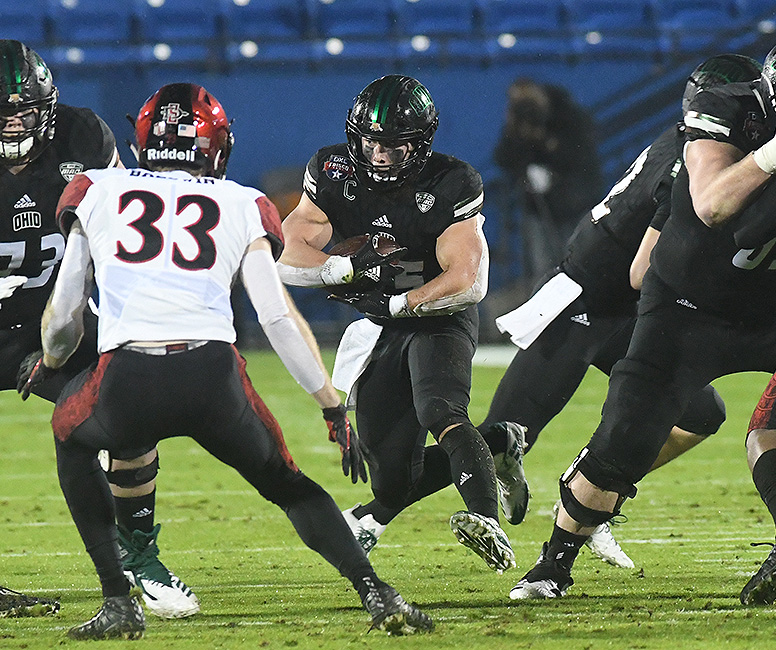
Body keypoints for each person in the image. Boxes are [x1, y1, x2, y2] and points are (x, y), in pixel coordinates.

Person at [17, 82, 433, 640]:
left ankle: (119, 600)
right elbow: (276, 317)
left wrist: (50, 360)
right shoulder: (241, 202)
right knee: (287, 483)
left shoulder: (95, 189)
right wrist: (330, 405)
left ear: (143, 142)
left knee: (72, 437)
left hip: (128, 380)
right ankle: (375, 592)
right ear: (216, 147)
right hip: (214, 378)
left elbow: (65, 312)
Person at [332, 55, 762, 570]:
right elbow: (642, 272)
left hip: (621, 308)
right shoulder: (690, 161)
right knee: (501, 436)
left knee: (701, 412)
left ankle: (593, 497)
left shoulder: (696, 147)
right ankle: (370, 516)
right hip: (586, 303)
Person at [508, 44, 776, 602]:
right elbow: (711, 205)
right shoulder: (728, 109)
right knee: (624, 439)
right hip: (689, 308)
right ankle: (553, 564)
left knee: (769, 430)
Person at [277, 74, 515, 574]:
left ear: (421, 143)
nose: (379, 154)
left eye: (393, 145)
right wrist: (342, 268)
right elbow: (289, 255)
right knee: (391, 479)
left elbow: (467, 280)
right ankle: (498, 444)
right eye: (370, 142)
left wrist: (403, 302)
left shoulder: (451, 181)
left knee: (440, 409)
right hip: (380, 325)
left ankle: (484, 519)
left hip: (438, 317)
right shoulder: (332, 168)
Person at [0, 39, 195, 619]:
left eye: (22, 112)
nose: (12, 126)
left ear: (47, 107)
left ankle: (138, 557)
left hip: (51, 315)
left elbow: (121, 239)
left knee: (127, 413)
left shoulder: (83, 137)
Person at [493, 78, 603, 288]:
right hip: (539, 208)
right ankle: (547, 316)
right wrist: (514, 130)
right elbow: (503, 158)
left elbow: (581, 156)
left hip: (575, 202)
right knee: (543, 268)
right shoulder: (519, 121)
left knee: (579, 261)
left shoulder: (568, 115)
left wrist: (547, 143)